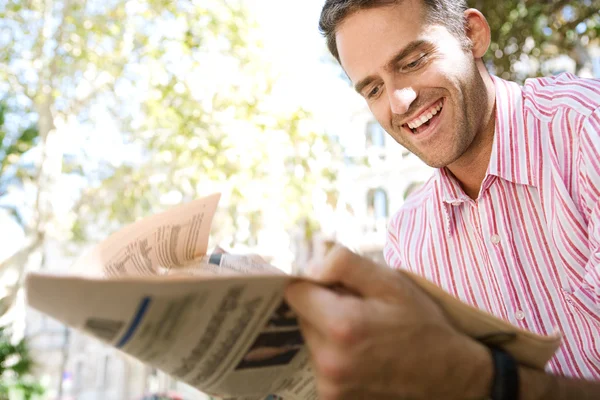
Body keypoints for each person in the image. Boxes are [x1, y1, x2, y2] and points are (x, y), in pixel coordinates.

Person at [284, 0, 600, 399]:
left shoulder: (589, 132)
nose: (399, 102)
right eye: (374, 89)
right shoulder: (408, 237)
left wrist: (481, 379)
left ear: (472, 35)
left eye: (413, 61)